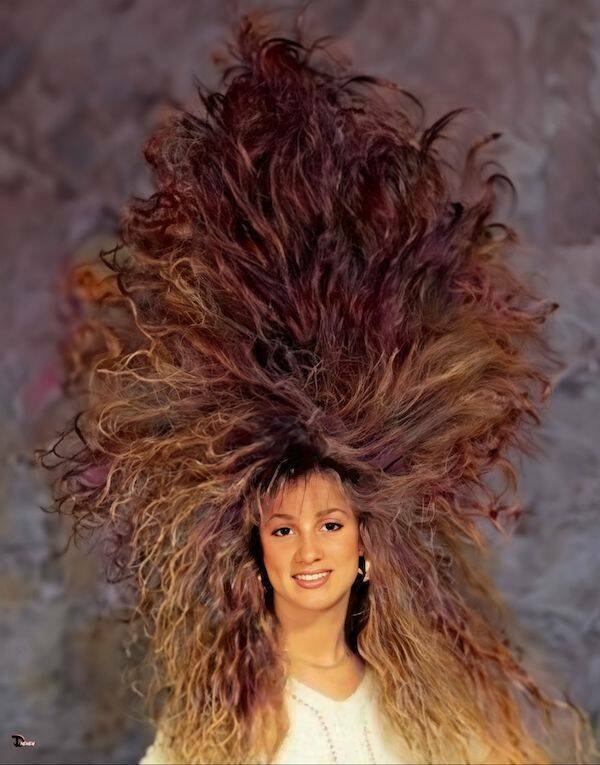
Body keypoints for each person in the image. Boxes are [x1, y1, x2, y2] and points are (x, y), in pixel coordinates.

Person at [41, 9, 594, 765]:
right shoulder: (217, 732)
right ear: (256, 556)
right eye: (283, 530)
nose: (309, 549)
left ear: (366, 545)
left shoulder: (436, 713)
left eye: (331, 525)